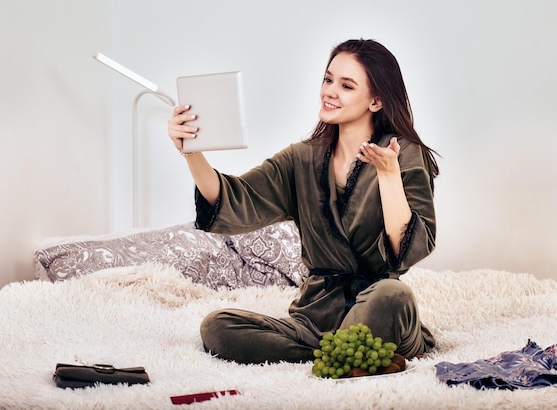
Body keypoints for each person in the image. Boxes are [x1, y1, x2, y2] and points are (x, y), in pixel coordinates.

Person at [167, 39, 439, 365]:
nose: (330, 91)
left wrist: (388, 175)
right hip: (314, 318)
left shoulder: (405, 154)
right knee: (218, 326)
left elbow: (404, 253)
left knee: (393, 295)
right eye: (328, 80)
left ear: (376, 100)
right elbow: (234, 200)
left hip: (377, 308)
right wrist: (191, 152)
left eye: (346, 85)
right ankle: (342, 354)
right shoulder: (302, 159)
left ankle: (355, 348)